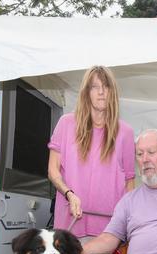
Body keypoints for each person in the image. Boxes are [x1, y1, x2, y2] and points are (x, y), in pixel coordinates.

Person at [48, 66, 135, 242]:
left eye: (106, 86)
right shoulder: (66, 123)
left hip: (109, 231)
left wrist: (126, 221)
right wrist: (69, 194)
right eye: (95, 87)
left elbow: (129, 183)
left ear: (113, 91)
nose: (101, 92)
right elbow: (53, 171)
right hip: (69, 224)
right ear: (86, 92)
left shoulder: (125, 132)